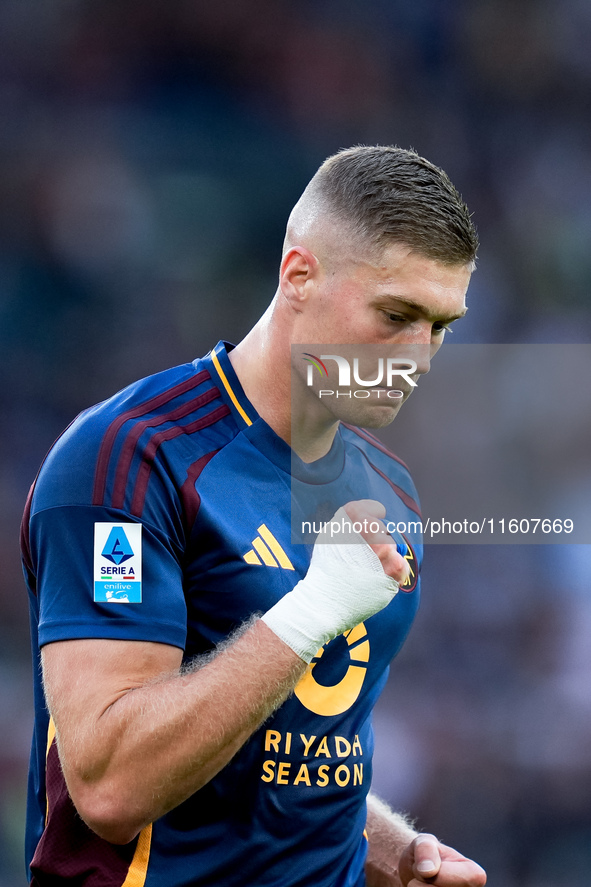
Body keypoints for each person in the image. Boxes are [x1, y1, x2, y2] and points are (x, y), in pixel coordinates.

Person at [21, 146, 486, 887]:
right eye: (395, 315)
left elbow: (280, 756)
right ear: (298, 275)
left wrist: (389, 847)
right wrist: (310, 612)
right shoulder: (128, 458)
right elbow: (110, 787)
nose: (417, 356)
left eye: (439, 325)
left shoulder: (387, 490)